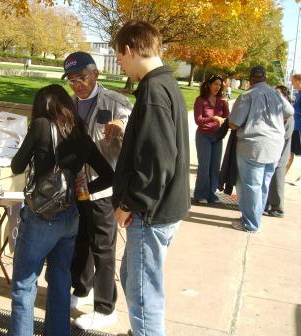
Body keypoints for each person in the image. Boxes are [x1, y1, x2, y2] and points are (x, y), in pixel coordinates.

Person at [9, 84, 113, 336]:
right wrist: (85, 186)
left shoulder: (41, 126)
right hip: (71, 215)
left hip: (41, 216)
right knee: (59, 280)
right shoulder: (80, 132)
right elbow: (109, 175)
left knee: (24, 284)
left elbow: (16, 166)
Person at [113, 21, 191, 336]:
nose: (120, 64)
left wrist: (129, 204)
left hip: (150, 213)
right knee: (134, 279)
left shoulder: (154, 90)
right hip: (159, 208)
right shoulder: (163, 84)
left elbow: (157, 162)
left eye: (119, 57)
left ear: (130, 49)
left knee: (144, 296)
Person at [61, 51, 132, 330]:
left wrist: (122, 126)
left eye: (82, 77)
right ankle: (81, 291)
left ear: (96, 74)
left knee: (103, 248)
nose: (77, 84)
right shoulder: (67, 104)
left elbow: (138, 135)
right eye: (71, 79)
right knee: (79, 242)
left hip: (104, 188)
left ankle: (105, 308)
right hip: (76, 187)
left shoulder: (115, 102)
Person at [229, 66, 294, 232]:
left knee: (250, 185)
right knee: (263, 184)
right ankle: (253, 217)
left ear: (251, 79)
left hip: (253, 146)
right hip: (275, 145)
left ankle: (250, 223)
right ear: (265, 78)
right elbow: (290, 111)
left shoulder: (247, 96)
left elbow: (234, 123)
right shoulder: (277, 94)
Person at [193, 74, 230, 204]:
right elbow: (198, 120)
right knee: (204, 166)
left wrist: (226, 105)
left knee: (215, 167)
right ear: (208, 85)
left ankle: (211, 194)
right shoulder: (200, 100)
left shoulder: (220, 99)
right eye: (215, 84)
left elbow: (226, 116)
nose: (217, 87)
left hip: (217, 136)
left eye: (219, 85)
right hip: (203, 136)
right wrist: (213, 118)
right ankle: (200, 194)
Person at [264, 85, 294, 217]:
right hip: (274, 151)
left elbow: (284, 135)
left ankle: (277, 208)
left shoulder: (287, 115)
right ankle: (268, 204)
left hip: (280, 153)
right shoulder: (278, 112)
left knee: (277, 181)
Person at [286, 71, 301, 184]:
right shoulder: (298, 94)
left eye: (293, 82)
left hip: (299, 128)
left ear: (299, 81)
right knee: (289, 152)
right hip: (294, 128)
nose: (292, 84)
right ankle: (282, 175)